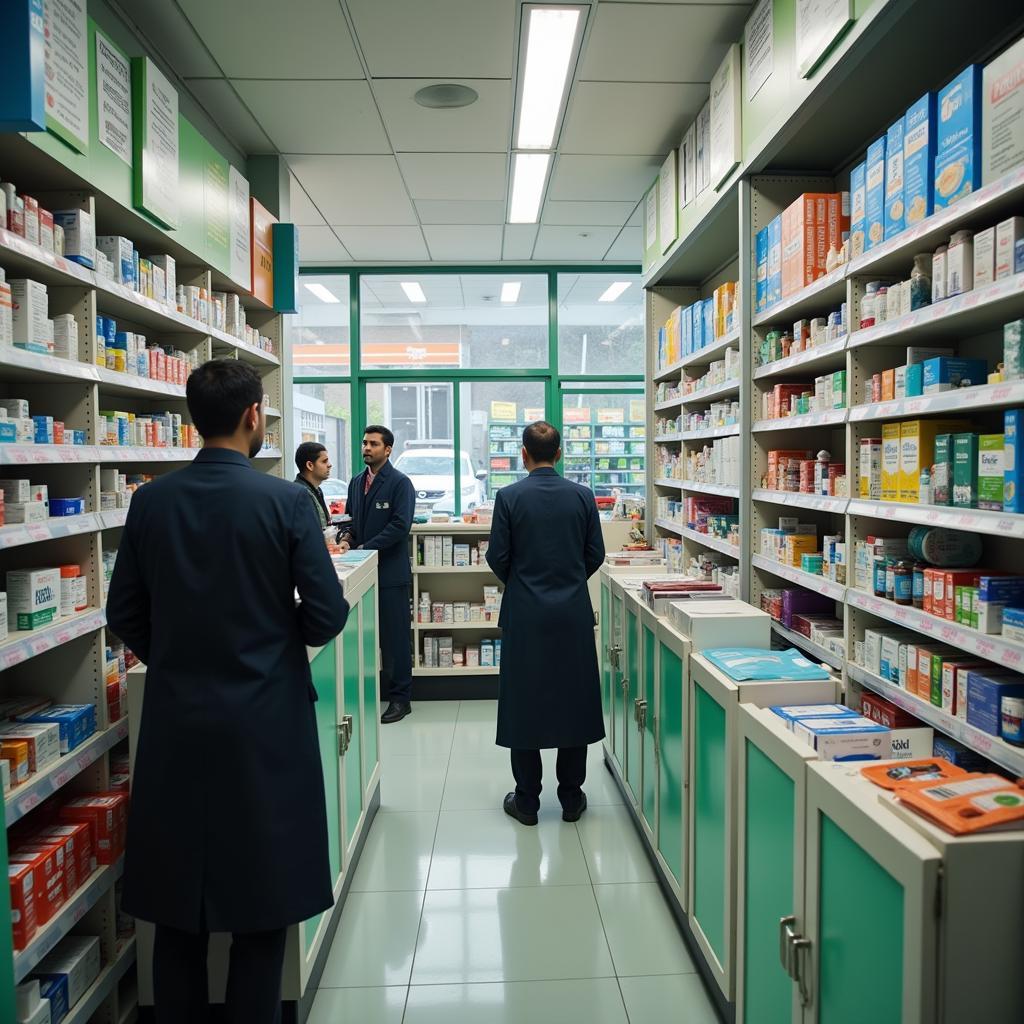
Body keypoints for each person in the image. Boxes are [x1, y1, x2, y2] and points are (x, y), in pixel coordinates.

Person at [106, 359, 349, 1024]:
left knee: (178, 909)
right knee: (262, 909)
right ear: (252, 418)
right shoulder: (283, 501)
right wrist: (272, 647)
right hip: (265, 724)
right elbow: (326, 613)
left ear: (193, 419)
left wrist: (180, 659)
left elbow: (123, 612)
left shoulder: (151, 502)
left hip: (179, 721)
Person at [486, 420, 606, 826]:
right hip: (572, 612)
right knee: (574, 699)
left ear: (524, 454)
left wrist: (523, 584)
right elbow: (596, 554)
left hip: (525, 615)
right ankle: (572, 799)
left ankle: (528, 802)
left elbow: (496, 557)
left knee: (524, 703)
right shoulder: (583, 496)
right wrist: (568, 581)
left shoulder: (508, 497)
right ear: (559, 454)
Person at [340, 425, 416, 724]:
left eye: (373, 444)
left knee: (395, 639)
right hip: (360, 572)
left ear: (388, 449)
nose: (366, 448)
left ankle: (401, 699)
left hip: (389, 574)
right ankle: (367, 693)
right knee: (364, 637)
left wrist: (365, 548)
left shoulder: (400, 483)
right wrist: (346, 538)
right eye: (364, 443)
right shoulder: (356, 482)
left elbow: (400, 527)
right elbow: (350, 519)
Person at [294, 441, 332, 530]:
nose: (329, 465)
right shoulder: (300, 495)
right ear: (310, 465)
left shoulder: (317, 490)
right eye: (324, 461)